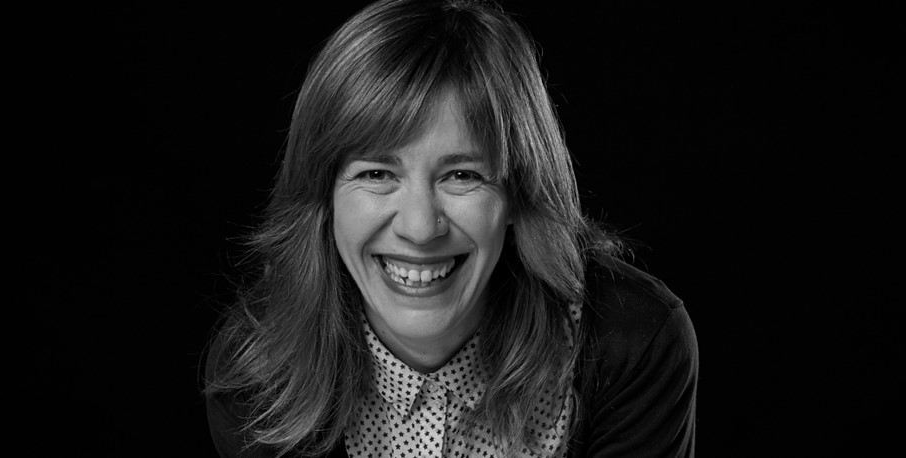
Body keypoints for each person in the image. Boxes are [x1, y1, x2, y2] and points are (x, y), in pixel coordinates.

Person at [203, 0, 698, 456]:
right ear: (324, 197)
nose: (420, 229)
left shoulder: (631, 343)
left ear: (518, 194)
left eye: (462, 175)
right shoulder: (259, 374)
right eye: (377, 174)